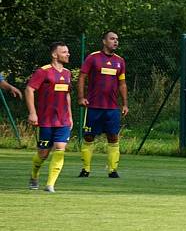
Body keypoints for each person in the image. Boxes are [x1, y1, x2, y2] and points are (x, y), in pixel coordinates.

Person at [77, 30, 128, 178]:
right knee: (89, 137)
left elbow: (122, 83)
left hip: (112, 108)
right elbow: (81, 77)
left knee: (113, 137)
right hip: (94, 106)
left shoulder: (120, 61)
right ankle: (85, 169)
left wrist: (125, 104)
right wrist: (81, 97)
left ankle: (112, 170)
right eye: (112, 39)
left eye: (117, 39)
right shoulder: (93, 58)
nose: (116, 41)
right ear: (104, 41)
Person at [25, 42, 73, 192]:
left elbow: (67, 95)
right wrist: (33, 113)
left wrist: (70, 117)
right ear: (54, 55)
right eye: (64, 52)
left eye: (67, 52)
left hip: (63, 120)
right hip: (46, 120)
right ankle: (34, 175)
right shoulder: (43, 71)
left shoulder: (67, 73)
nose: (68, 54)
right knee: (43, 153)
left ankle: (50, 184)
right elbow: (29, 89)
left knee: (60, 148)